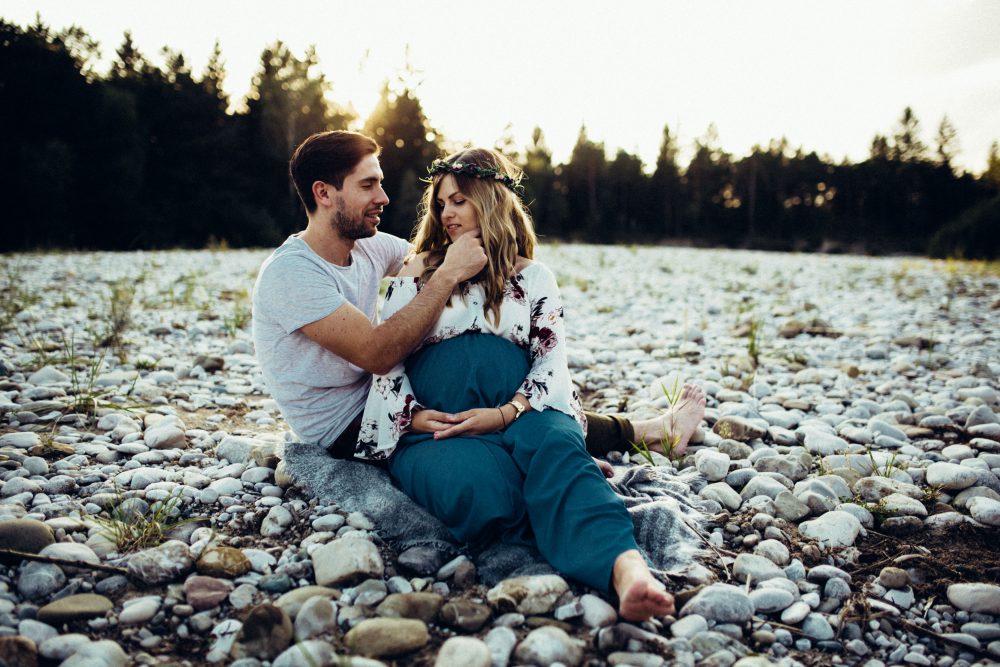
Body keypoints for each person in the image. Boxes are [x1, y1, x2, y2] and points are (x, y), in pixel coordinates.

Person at [355, 147, 706, 621]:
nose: (447, 212)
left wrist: (504, 414)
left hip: (523, 414)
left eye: (459, 200)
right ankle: (567, 491)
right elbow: (389, 357)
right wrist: (413, 415)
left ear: (491, 198)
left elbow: (550, 362)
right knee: (482, 495)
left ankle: (627, 570)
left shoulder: (534, 276)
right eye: (441, 204)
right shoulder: (417, 272)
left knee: (558, 448)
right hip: (441, 426)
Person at [252, 130, 704, 466]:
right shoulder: (291, 274)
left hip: (378, 390)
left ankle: (620, 438)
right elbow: (377, 351)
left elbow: (445, 260)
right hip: (343, 425)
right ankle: (611, 446)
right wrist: (448, 273)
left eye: (381, 183)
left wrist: (512, 264)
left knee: (502, 377)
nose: (385, 197)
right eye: (368, 185)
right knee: (482, 395)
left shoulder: (371, 247)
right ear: (324, 193)